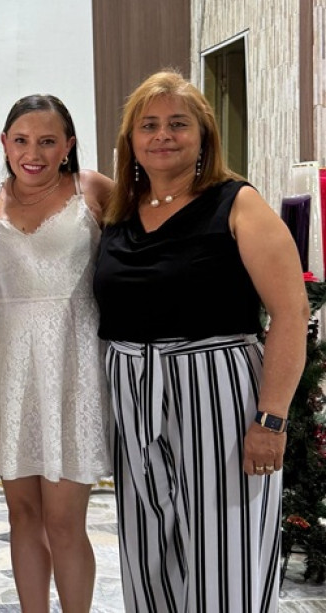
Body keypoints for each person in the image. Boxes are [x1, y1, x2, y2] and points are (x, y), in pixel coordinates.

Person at [92, 70, 309, 612]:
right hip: (132, 389)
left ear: (204, 136)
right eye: (149, 125)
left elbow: (290, 312)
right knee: (150, 558)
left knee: (225, 556)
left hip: (215, 387)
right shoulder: (118, 209)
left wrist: (272, 419)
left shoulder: (237, 204)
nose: (162, 135)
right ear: (131, 140)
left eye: (178, 124)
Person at [0, 95, 112, 612]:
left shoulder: (92, 187)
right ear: (6, 143)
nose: (33, 152)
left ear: (68, 146)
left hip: (72, 360)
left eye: (48, 140)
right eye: (21, 140)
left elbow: (138, 254)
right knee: (22, 517)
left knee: (63, 520)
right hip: (9, 363)